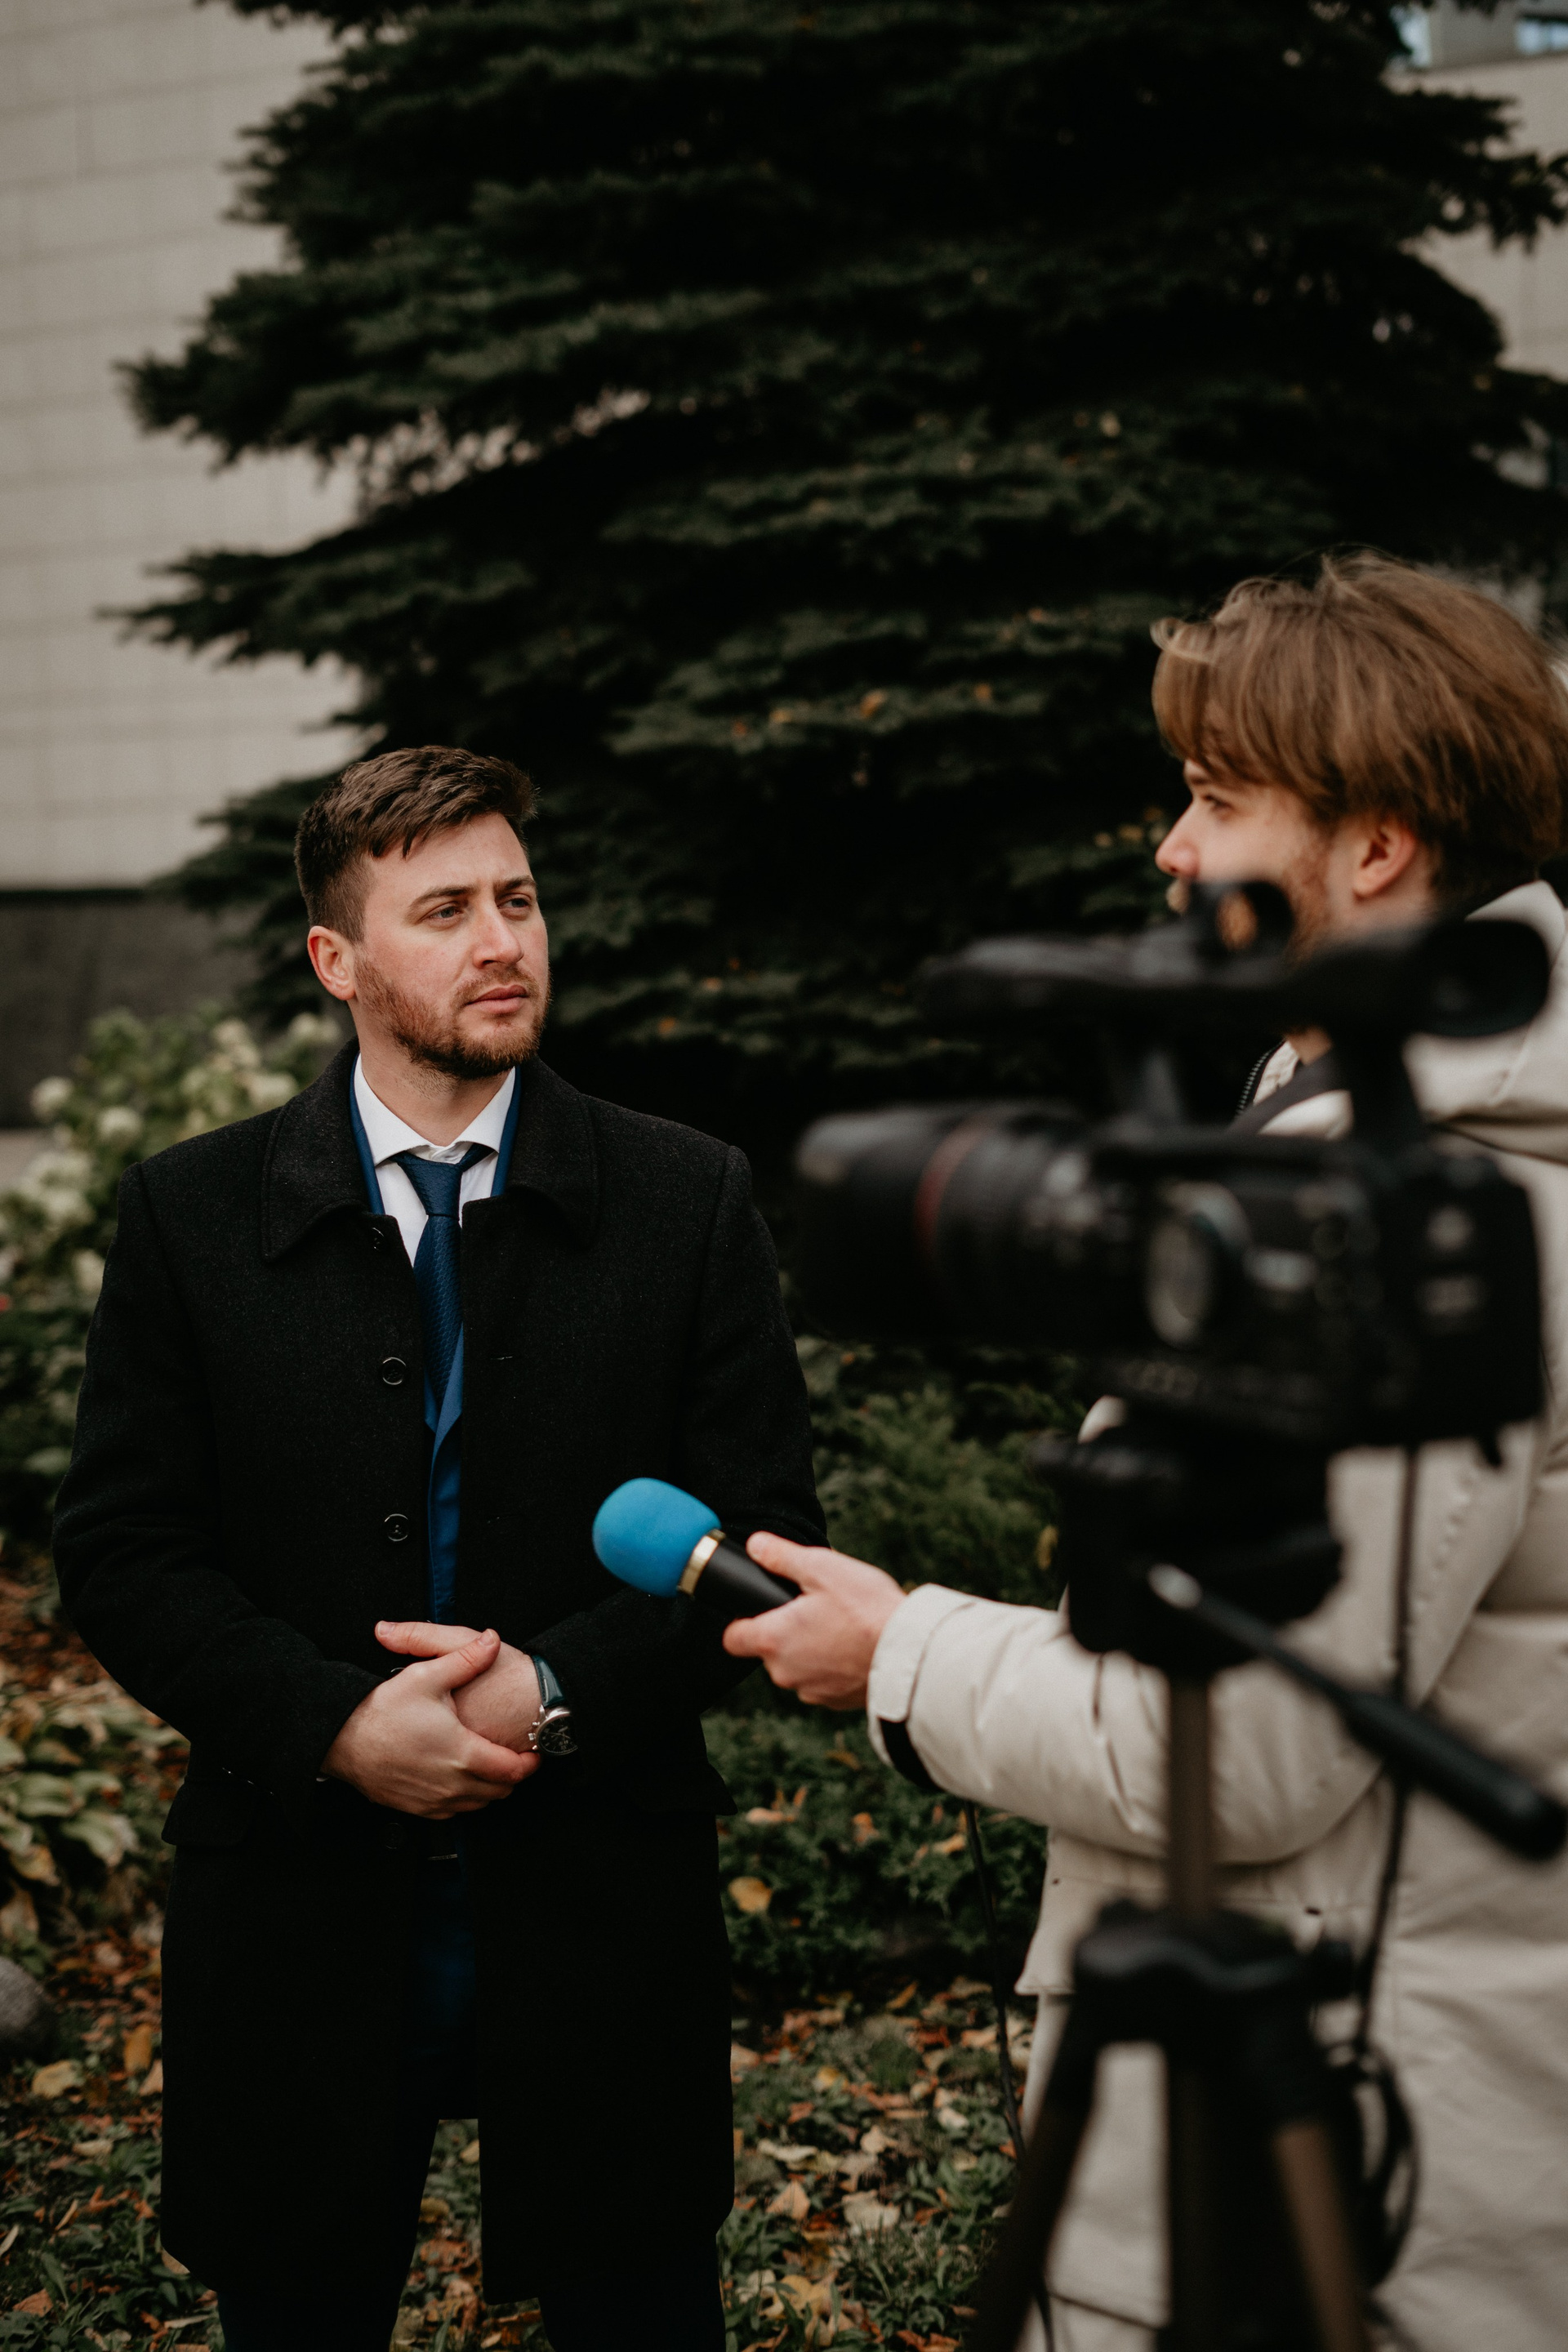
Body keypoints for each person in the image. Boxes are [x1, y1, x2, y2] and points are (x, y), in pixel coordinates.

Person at [719, 558, 1568, 2350]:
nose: (1172, 851)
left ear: (1379, 846)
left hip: (1332, 2171)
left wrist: (900, 1655)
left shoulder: (1414, 1216)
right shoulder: (1411, 1146)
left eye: (1217, 797)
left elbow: (1249, 1750)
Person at [53, 746, 824, 2352]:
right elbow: (124, 1550)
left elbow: (763, 1540)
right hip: (296, 1895)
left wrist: (552, 1690)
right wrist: (334, 1724)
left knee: (637, 2312)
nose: (503, 941)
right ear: (336, 960)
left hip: (601, 1888)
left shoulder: (685, 1197)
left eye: (519, 900)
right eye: (447, 910)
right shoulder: (191, 1214)